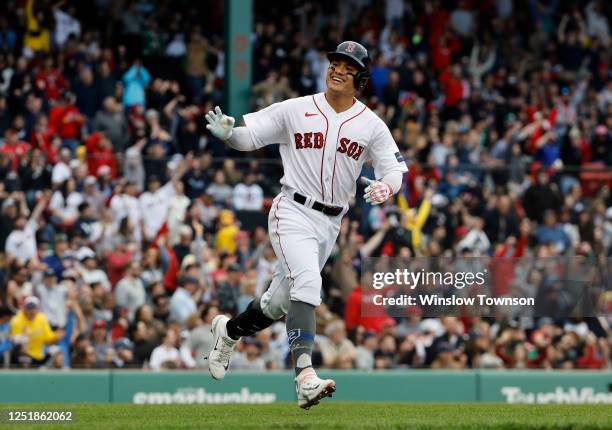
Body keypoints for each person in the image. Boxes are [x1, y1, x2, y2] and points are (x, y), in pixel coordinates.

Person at [204, 41, 407, 409]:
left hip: (330, 224)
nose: (338, 70)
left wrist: (386, 186)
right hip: (292, 210)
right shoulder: (298, 108)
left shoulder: (371, 124)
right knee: (309, 284)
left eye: (348, 66)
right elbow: (251, 135)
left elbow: (393, 168)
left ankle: (228, 332)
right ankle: (305, 377)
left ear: (360, 77)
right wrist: (230, 134)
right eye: (335, 62)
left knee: (280, 303)